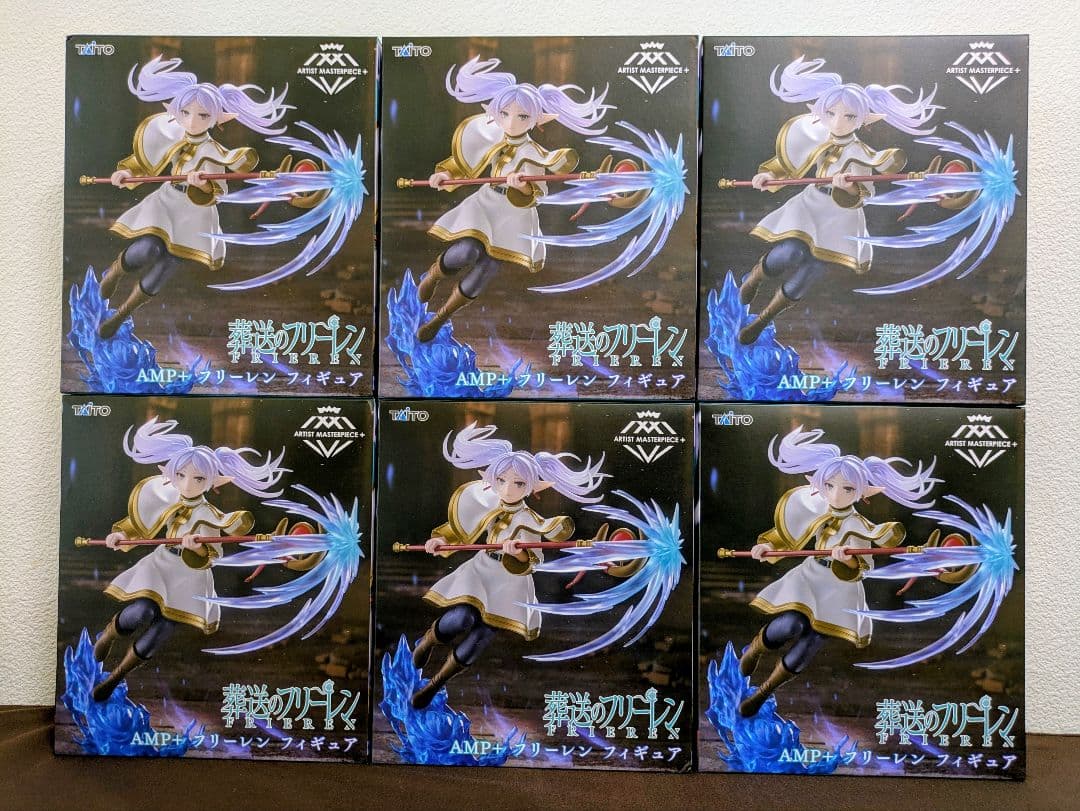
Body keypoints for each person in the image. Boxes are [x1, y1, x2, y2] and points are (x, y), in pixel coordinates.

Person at [738, 56, 942, 344]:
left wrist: (847, 189)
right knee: (790, 252)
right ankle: (755, 278)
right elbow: (789, 161)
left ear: (863, 119)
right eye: (831, 113)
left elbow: (865, 194)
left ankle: (763, 320)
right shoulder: (814, 133)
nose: (838, 122)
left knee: (813, 268)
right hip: (810, 205)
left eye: (849, 117)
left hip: (840, 217)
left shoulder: (862, 153)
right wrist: (767, 175)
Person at [738, 426, 939, 716]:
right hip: (811, 578)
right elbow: (789, 532)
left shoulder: (860, 526)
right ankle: (756, 649)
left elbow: (861, 568)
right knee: (792, 623)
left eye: (848, 489)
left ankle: (763, 692)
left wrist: (846, 560)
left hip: (840, 590)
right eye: (830, 486)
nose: (837, 495)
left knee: (814, 638)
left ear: (862, 493)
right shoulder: (815, 505)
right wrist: (766, 546)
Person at [409, 421, 607, 708]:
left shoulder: (530, 520)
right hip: (482, 570)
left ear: (532, 487)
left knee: (483, 632)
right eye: (501, 480)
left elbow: (530, 562)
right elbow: (463, 526)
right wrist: (438, 540)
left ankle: (435, 684)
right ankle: (428, 641)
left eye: (519, 484)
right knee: (463, 617)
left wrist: (516, 554)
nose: (509, 489)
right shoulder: (486, 499)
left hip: (510, 582)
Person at [415, 56, 612, 342]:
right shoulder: (491, 134)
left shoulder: (534, 154)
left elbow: (537, 194)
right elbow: (465, 161)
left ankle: (441, 317)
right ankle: (434, 275)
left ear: (536, 120)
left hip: (514, 216)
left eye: (522, 117)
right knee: (468, 250)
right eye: (505, 113)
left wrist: (520, 188)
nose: (512, 122)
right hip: (486, 205)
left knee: (488, 266)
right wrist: (443, 174)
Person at [91, 417, 287, 701]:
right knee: (143, 610)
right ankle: (109, 635)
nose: (188, 484)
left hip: (190, 577)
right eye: (181, 475)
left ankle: (115, 677)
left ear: (212, 482)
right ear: (171, 473)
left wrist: (195, 549)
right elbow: (142, 522)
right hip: (162, 565)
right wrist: (119, 535)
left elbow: (210, 556)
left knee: (164, 628)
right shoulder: (166, 494)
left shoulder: (209, 514)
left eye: (198, 479)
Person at [97, 55, 290, 338]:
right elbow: (147, 158)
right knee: (149, 248)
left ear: (217, 119)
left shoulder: (214, 152)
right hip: (166, 202)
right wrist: (125, 172)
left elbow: (216, 192)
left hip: (195, 215)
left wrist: (200, 186)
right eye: (186, 112)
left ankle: (122, 314)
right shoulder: (171, 132)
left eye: (203, 116)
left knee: (169, 262)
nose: (193, 121)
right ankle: (115, 272)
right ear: (176, 110)